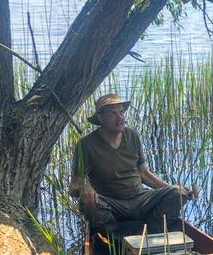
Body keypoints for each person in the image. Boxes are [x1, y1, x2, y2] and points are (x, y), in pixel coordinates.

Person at [70, 93, 197, 234]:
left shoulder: (132, 135)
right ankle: (115, 238)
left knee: (177, 193)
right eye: (113, 114)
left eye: (122, 112)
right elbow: (74, 186)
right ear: (101, 117)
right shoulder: (86, 145)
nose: (120, 118)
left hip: (140, 199)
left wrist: (176, 189)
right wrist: (84, 188)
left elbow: (144, 174)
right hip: (111, 204)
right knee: (87, 202)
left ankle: (154, 231)